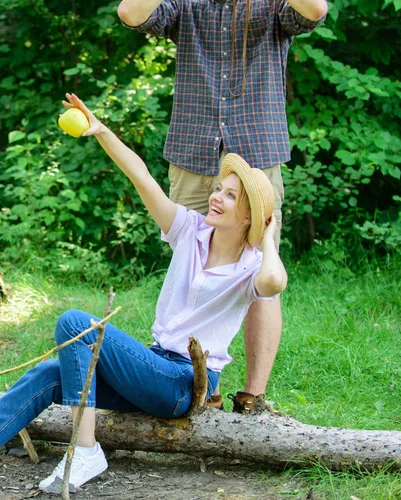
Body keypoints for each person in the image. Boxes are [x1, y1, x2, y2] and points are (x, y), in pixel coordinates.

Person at [0, 93, 287, 491]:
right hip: (152, 368)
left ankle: (85, 451)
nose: (216, 197)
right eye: (219, 189)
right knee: (50, 374)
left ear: (249, 217)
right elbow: (142, 176)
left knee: (74, 324)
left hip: (182, 384)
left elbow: (274, 284)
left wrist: (269, 236)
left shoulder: (252, 266)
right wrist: (101, 130)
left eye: (230, 196)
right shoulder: (189, 230)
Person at [117, 0, 328, 411]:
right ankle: (193, 378)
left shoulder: (274, 3)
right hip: (192, 156)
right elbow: (130, 13)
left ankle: (252, 395)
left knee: (261, 277)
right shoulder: (185, 5)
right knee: (191, 266)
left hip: (255, 161)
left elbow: (317, 9)